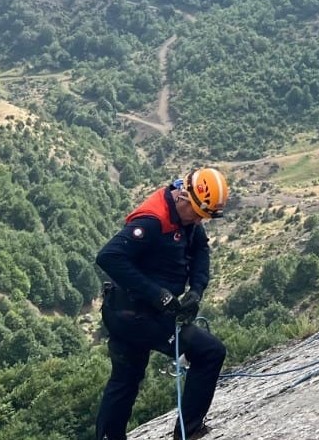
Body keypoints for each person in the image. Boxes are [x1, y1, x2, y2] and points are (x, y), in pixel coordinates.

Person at [95, 168, 230, 440]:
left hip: (129, 311)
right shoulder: (153, 221)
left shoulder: (187, 214)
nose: (198, 220)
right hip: (136, 314)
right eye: (197, 213)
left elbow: (200, 249)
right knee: (209, 352)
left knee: (126, 379)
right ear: (183, 195)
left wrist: (196, 290)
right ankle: (188, 431)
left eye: (203, 216)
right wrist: (157, 294)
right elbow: (109, 257)